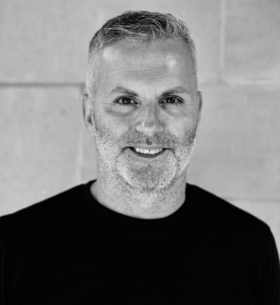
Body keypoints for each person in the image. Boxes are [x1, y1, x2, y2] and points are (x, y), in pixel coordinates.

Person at [0, 10, 279, 305]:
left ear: (197, 111)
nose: (149, 124)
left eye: (171, 100)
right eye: (125, 101)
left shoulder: (249, 246)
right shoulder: (12, 249)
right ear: (89, 114)